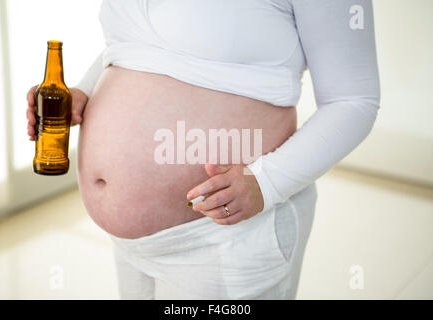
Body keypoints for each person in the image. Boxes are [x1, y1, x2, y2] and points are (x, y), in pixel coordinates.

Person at [26, 0, 380, 299]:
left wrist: (265, 183)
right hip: (132, 245)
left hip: (224, 234)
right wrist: (85, 91)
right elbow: (130, 45)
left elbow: (353, 100)